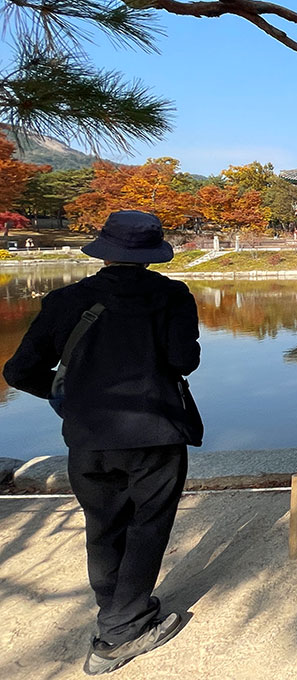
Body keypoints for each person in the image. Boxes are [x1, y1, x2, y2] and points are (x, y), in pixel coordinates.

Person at [2, 211, 200, 676]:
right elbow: (183, 361)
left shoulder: (66, 300)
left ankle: (115, 609)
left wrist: (74, 395)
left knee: (104, 523)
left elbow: (17, 372)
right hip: (154, 431)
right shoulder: (170, 296)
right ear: (152, 254)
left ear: (104, 250)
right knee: (148, 524)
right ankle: (120, 631)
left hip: (88, 435)